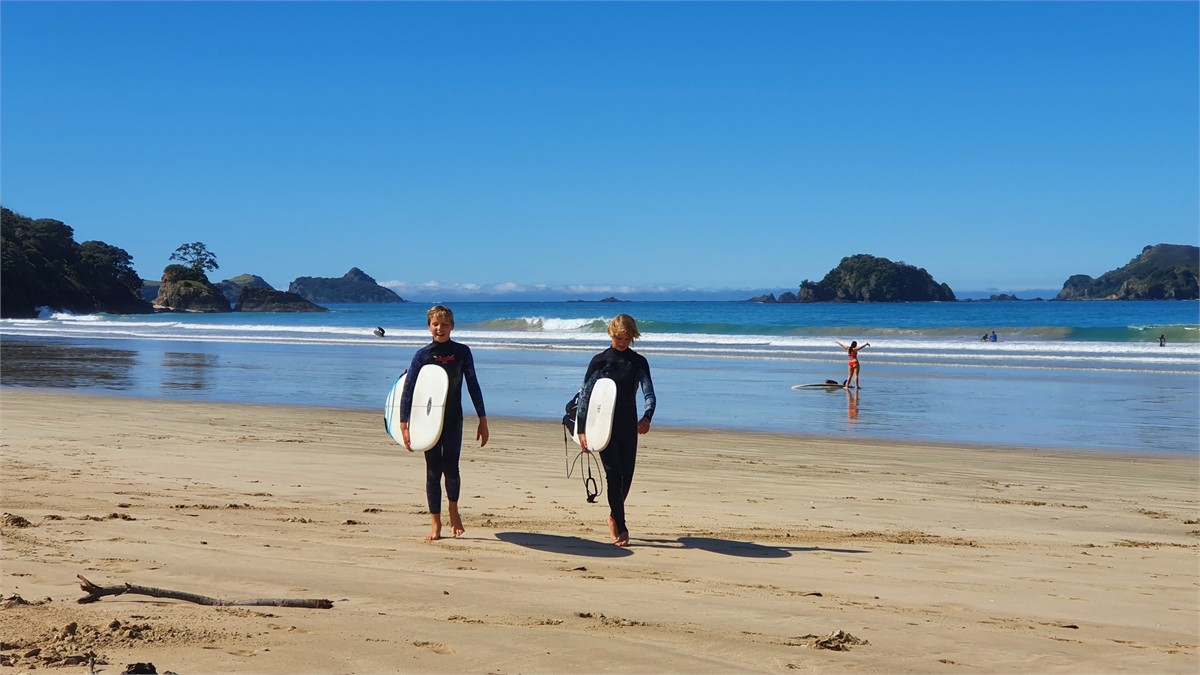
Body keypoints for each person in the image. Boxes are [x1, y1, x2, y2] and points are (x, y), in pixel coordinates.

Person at [399, 305, 488, 542]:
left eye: (445, 324)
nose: (440, 328)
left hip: (453, 418)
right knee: (432, 471)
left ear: (452, 326)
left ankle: (453, 510)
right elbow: (408, 390)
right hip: (427, 422)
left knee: (451, 467)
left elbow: (473, 385)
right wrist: (404, 423)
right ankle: (435, 523)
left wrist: (482, 418)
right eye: (435, 324)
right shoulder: (422, 355)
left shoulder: (462, 352)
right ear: (429, 326)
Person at [577, 314, 656, 548]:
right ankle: (621, 527)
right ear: (610, 334)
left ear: (633, 336)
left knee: (626, 479)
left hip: (628, 426)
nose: (622, 342)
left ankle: (613, 514)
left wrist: (647, 417)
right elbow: (585, 396)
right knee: (614, 475)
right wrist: (582, 430)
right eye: (618, 337)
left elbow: (649, 393)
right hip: (602, 428)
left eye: (627, 337)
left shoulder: (638, 362)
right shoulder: (600, 361)